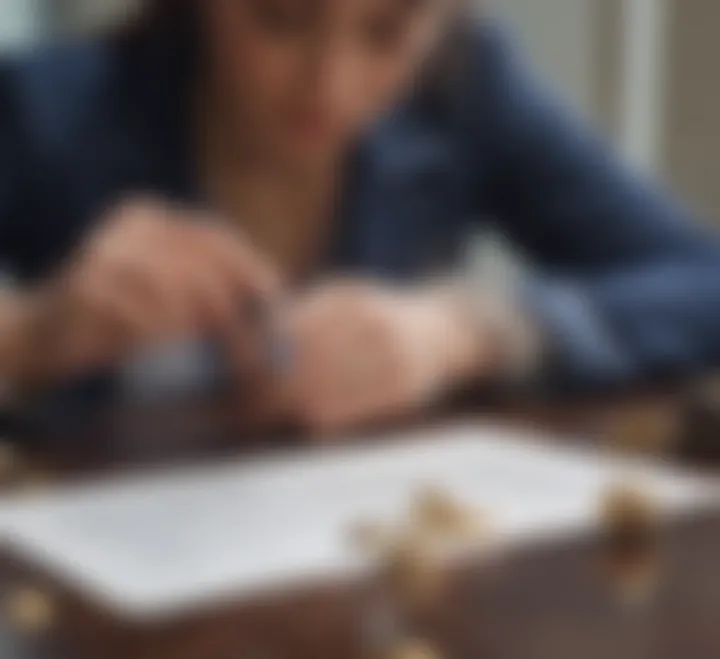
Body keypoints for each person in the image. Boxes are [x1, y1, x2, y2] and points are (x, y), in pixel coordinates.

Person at [0, 0, 719, 436]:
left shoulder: (465, 85)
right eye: (280, 17)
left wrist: (470, 329)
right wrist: (32, 333)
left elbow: (703, 283)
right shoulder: (50, 109)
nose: (328, 85)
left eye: (386, 32)